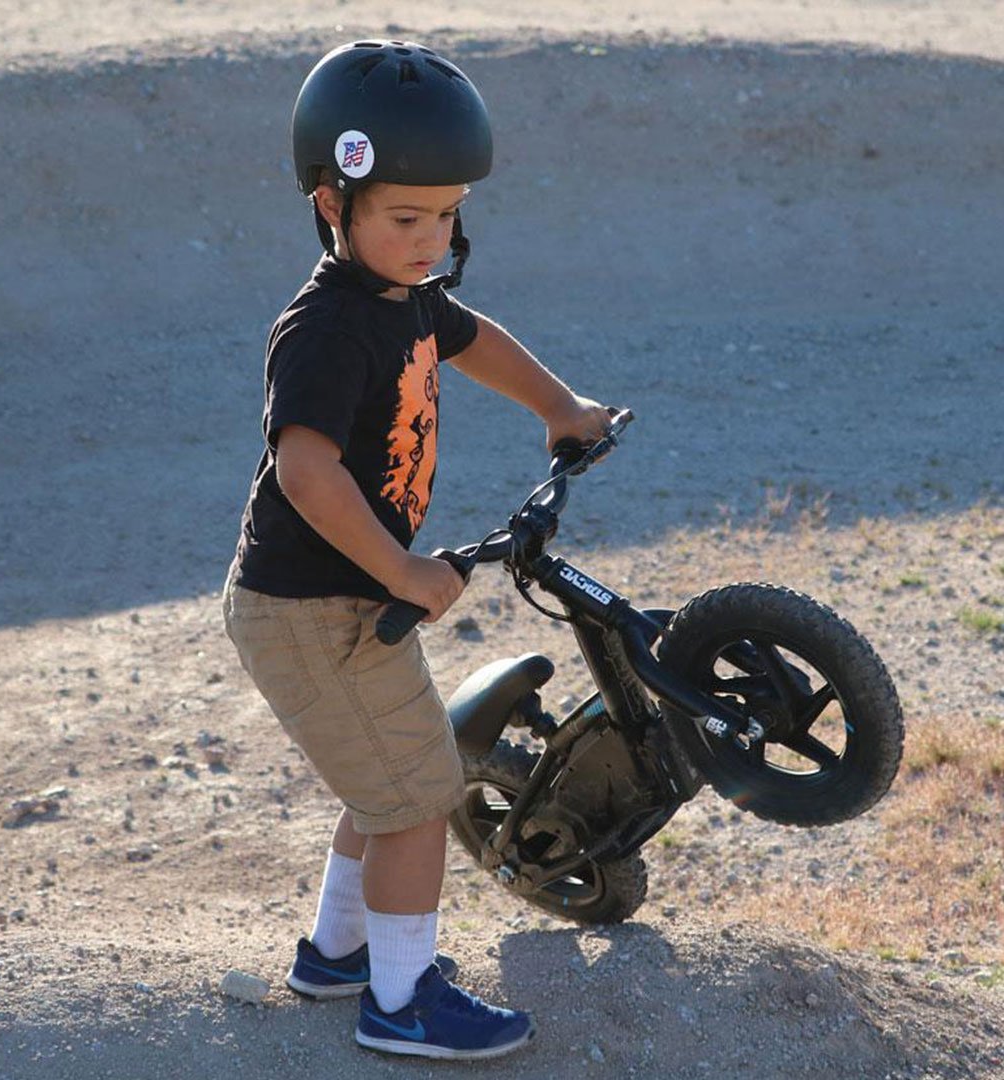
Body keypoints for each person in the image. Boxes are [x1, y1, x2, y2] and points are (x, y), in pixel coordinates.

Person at [222, 39, 611, 1061]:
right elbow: (307, 474)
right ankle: (401, 1002)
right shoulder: (323, 331)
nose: (432, 238)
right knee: (420, 799)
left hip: (341, 606)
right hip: (313, 609)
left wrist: (560, 408)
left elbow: (470, 336)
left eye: (448, 215)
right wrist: (401, 571)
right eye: (406, 218)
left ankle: (335, 953)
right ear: (330, 203)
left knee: (385, 779)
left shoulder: (405, 295)